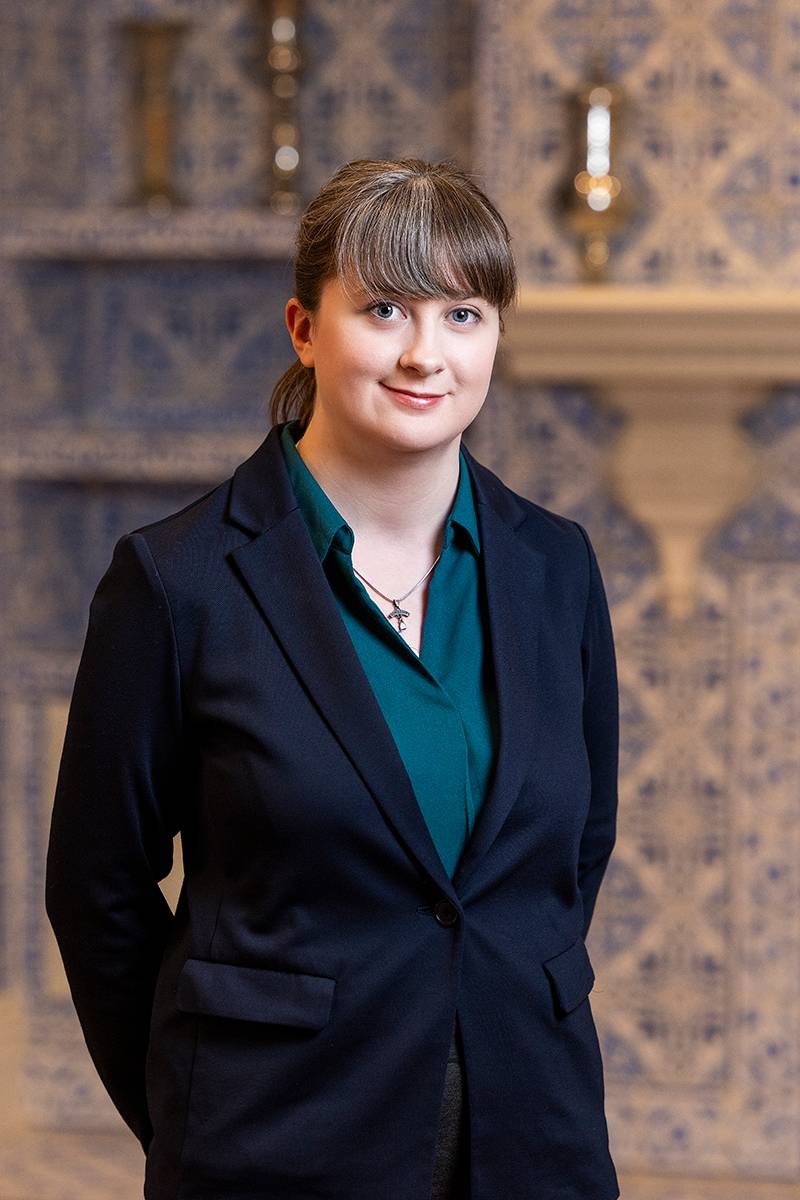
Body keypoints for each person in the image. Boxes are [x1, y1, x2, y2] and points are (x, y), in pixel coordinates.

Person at [45, 157, 621, 1200]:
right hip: (272, 1142)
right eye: (384, 309)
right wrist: (196, 1104)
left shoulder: (556, 567)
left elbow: (569, 859)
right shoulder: (176, 582)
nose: (422, 354)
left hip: (534, 1135)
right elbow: (97, 893)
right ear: (304, 328)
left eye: (461, 314)